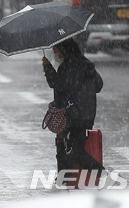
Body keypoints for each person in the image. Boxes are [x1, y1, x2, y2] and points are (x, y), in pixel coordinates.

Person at [41, 38, 105, 178]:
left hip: (73, 116)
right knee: (64, 148)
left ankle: (103, 174)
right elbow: (98, 85)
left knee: (74, 152)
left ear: (63, 50)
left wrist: (47, 67)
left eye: (56, 50)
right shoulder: (86, 65)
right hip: (87, 114)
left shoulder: (67, 67)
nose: (55, 53)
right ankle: (64, 178)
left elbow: (56, 84)